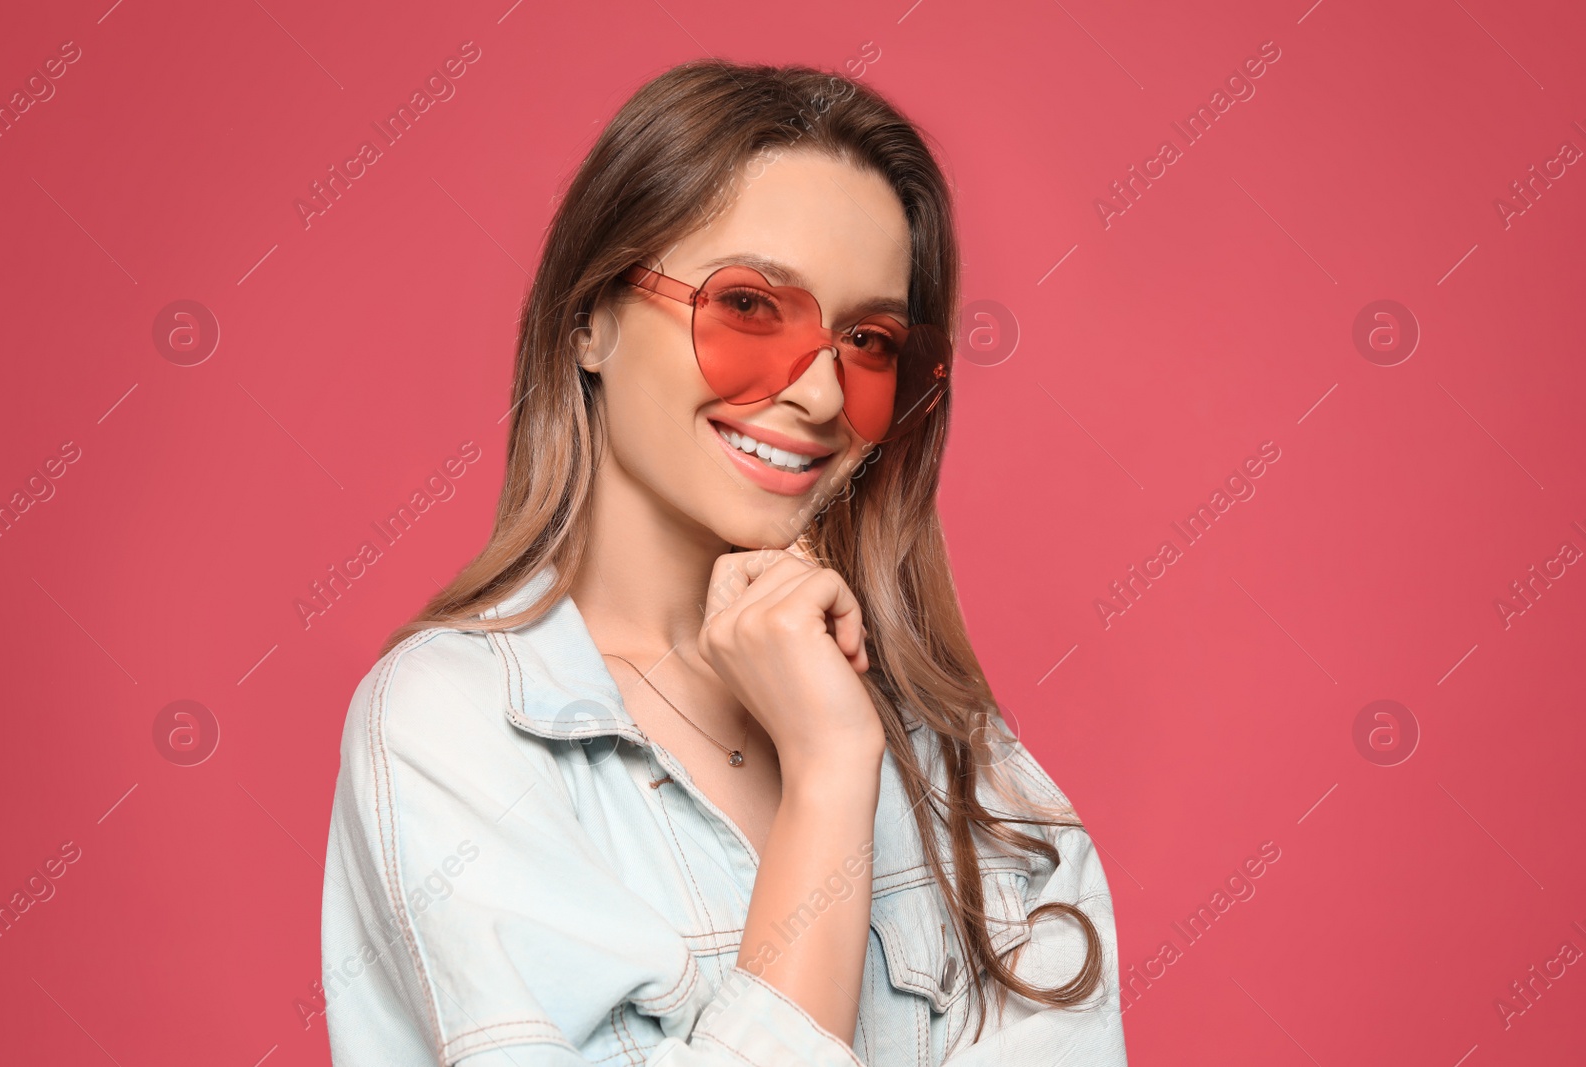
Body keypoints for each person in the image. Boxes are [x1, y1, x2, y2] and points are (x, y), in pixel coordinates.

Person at [320, 58, 1128, 1066]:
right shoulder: (460, 725)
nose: (822, 395)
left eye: (869, 340)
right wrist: (830, 778)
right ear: (589, 318)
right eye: (749, 308)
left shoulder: (960, 756)